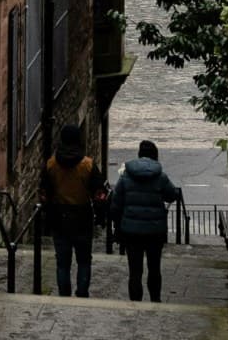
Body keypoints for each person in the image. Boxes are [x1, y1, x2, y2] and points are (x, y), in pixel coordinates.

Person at [109, 137, 182, 303]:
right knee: (154, 268)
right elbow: (172, 195)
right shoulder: (161, 177)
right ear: (155, 156)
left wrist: (117, 226)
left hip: (131, 231)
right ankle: (155, 299)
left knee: (135, 270)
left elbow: (116, 204)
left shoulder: (126, 177)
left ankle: (136, 301)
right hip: (155, 231)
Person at [41, 125, 104, 298]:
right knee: (84, 259)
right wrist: (100, 215)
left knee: (62, 262)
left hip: (59, 216)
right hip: (82, 216)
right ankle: (82, 291)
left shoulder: (52, 164)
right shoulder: (88, 165)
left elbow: (45, 193)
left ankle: (64, 293)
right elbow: (98, 193)